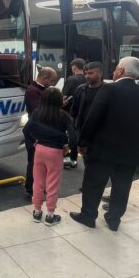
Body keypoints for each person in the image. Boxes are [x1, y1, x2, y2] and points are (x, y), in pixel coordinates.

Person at [69, 56, 139, 231]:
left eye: (116, 68)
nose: (114, 71)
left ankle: (88, 216)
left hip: (103, 150)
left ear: (121, 71)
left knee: (94, 184)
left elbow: (93, 118)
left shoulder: (109, 89)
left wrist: (83, 141)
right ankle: (114, 219)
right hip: (131, 153)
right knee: (122, 187)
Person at [24, 86, 71, 226]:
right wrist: (68, 147)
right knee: (53, 184)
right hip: (55, 152)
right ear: (59, 100)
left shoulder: (37, 112)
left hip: (39, 149)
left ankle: (37, 212)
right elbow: (74, 136)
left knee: (37, 182)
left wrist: (34, 142)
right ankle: (50, 215)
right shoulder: (63, 115)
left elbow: (26, 130)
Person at [23, 67, 58, 200]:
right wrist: (56, 107)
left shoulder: (40, 89)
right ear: (44, 78)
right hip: (34, 132)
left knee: (40, 163)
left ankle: (37, 188)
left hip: (40, 131)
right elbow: (39, 111)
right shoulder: (32, 91)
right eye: (52, 80)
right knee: (33, 161)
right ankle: (30, 190)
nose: (52, 83)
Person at [62, 58, 86, 169]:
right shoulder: (87, 79)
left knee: (70, 135)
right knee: (77, 133)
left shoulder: (71, 79)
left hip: (70, 112)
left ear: (74, 67)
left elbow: (64, 96)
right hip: (83, 111)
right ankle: (74, 159)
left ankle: (69, 158)